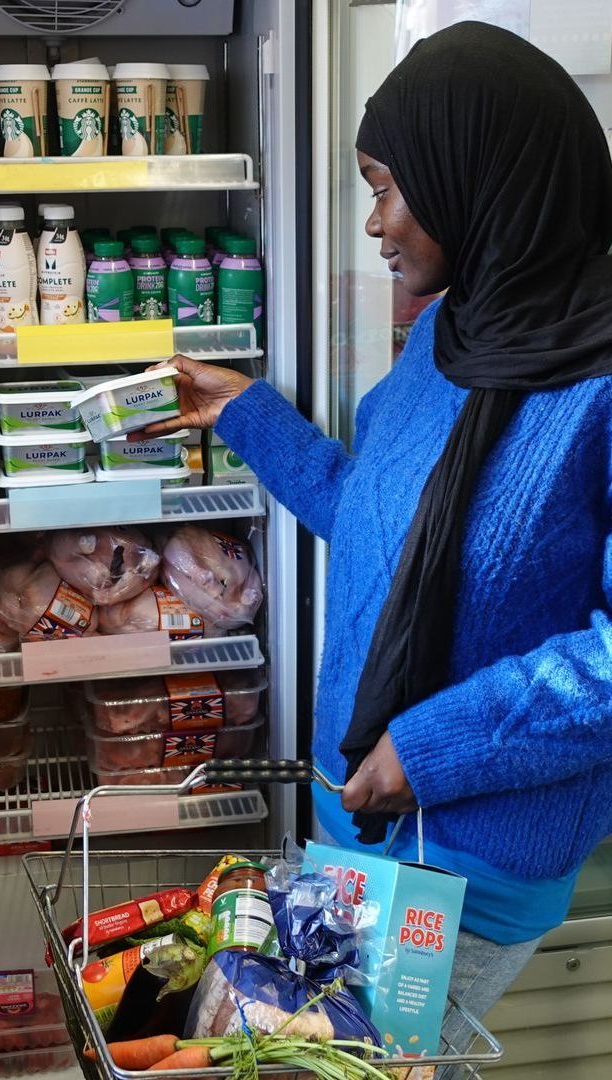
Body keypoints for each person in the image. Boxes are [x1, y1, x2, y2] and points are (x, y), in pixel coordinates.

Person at [134, 21, 612, 1036]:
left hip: (468, 859)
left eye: (386, 188)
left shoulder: (598, 384)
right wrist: (244, 413)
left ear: (474, 175)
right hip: (359, 821)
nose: (373, 223)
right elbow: (386, 527)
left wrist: (430, 749)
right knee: (284, 1049)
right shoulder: (449, 331)